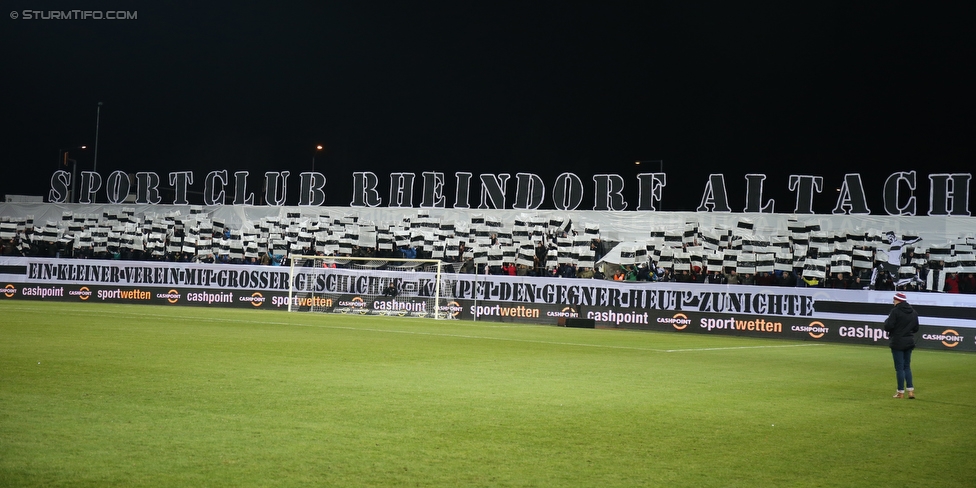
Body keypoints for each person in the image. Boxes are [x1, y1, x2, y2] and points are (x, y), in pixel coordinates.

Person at [883, 292, 919, 399]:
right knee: (907, 366)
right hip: (909, 341)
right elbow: (916, 328)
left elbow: (888, 326)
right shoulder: (913, 312)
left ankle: (900, 392)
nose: (893, 302)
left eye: (894, 300)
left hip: (898, 342)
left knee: (899, 368)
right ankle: (911, 391)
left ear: (898, 300)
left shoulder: (895, 311)